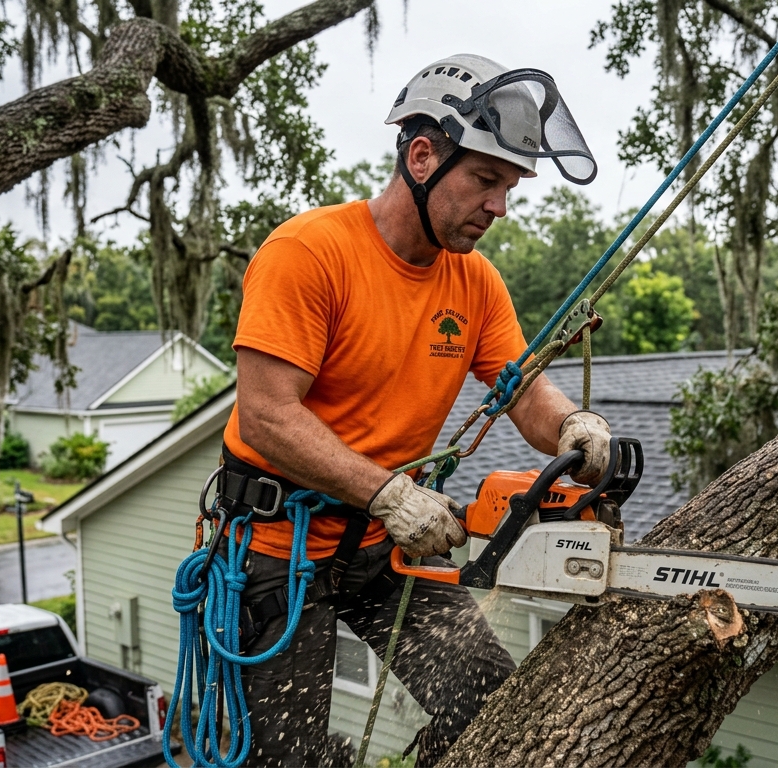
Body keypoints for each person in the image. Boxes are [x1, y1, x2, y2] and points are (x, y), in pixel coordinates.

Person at [216, 53, 612, 767]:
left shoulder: (475, 281)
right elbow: (267, 416)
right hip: (276, 553)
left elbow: (520, 390)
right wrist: (388, 491)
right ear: (422, 156)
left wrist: (573, 426)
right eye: (485, 180)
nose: (499, 207)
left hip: (385, 548)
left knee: (498, 710)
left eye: (509, 187)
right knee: (283, 756)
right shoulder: (309, 252)